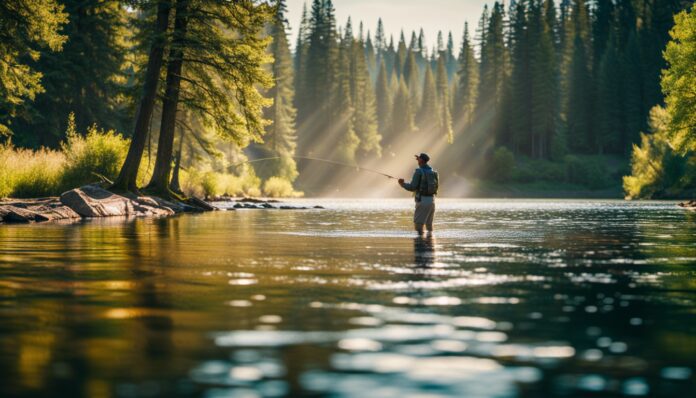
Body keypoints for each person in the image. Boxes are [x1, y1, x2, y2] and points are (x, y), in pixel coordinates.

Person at [398, 153, 438, 235]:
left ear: (422, 160)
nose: (417, 160)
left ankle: (420, 246)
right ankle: (430, 245)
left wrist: (402, 184)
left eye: (418, 158)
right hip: (432, 201)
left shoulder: (418, 171)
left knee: (418, 227)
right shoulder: (432, 172)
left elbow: (412, 187)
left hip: (422, 201)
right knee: (429, 226)